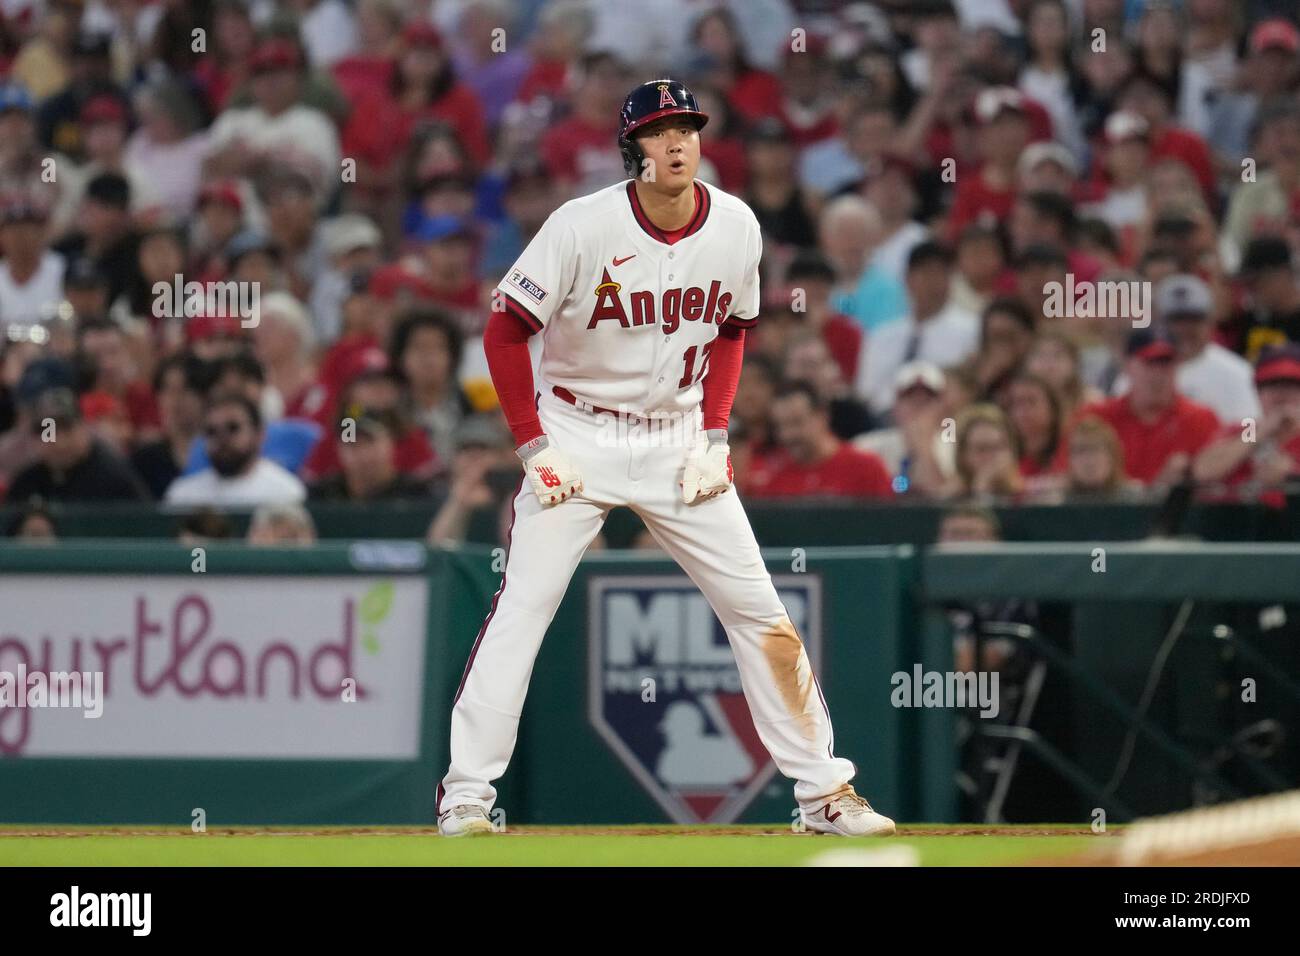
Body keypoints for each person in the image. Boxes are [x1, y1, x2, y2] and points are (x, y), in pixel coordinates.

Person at [435, 79, 895, 839]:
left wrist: (716, 434)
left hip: (677, 438)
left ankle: (825, 797)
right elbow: (504, 332)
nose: (677, 141)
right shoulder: (580, 226)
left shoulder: (737, 226)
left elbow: (733, 330)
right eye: (658, 131)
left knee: (759, 612)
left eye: (686, 127)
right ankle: (467, 796)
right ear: (632, 150)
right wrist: (532, 444)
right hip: (576, 432)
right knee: (522, 609)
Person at [1061, 328, 1220, 486]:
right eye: (1149, 363)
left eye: (1166, 363)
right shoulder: (1097, 418)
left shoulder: (1201, 419)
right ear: (1128, 365)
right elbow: (1063, 475)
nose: (1157, 374)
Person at [858, 240, 980, 418]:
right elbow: (865, 392)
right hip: (883, 420)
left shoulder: (971, 331)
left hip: (943, 420)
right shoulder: (882, 335)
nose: (933, 282)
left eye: (940, 273)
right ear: (907, 279)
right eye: (925, 273)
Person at [747, 380, 892, 499]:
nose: (787, 435)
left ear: (822, 416)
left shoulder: (866, 468)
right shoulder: (775, 482)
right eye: (780, 426)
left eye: (796, 422)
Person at [164, 392, 307, 508]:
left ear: (259, 435)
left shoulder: (286, 494)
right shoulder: (182, 496)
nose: (222, 438)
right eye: (211, 431)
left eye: (233, 428)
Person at [6, 387, 148, 502]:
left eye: (67, 429)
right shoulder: (27, 483)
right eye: (50, 432)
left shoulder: (114, 478)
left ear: (84, 427)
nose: (59, 442)